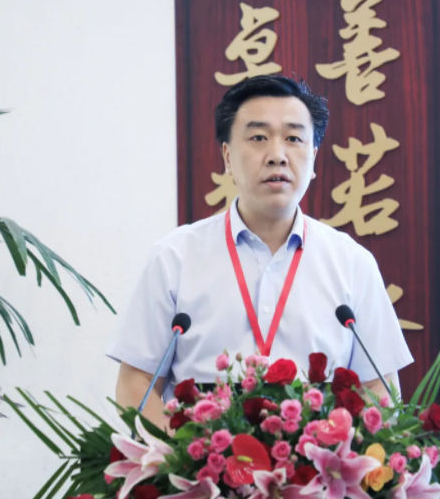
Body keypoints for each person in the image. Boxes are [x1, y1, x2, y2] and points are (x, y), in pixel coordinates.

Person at [106, 75, 413, 431]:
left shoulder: (352, 263)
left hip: (319, 465)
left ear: (313, 157)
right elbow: (136, 383)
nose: (277, 155)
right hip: (200, 464)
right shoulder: (175, 258)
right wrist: (182, 452)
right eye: (258, 138)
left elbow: (379, 387)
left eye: (294, 139)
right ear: (227, 156)